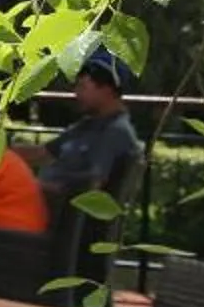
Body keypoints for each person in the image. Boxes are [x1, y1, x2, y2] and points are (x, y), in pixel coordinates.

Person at [29, 50, 143, 208]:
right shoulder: (88, 125)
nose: (76, 93)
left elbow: (92, 188)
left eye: (82, 87)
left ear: (107, 90)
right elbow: (44, 152)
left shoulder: (116, 133)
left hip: (56, 216)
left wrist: (30, 187)